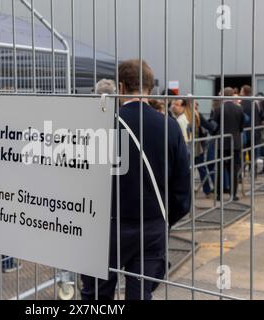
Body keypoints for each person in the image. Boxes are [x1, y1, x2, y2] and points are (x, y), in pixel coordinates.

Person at [81, 59, 191, 300]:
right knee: (140, 294)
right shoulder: (170, 128)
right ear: (150, 87)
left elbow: (85, 179)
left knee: (97, 295)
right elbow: (183, 189)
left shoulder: (102, 124)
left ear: (120, 86)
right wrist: (164, 219)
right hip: (151, 225)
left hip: (105, 226)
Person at [212, 87, 246, 201]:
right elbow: (241, 127)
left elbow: (214, 126)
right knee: (233, 170)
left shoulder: (218, 109)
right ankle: (233, 194)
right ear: (232, 96)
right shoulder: (239, 109)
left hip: (221, 143)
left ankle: (218, 194)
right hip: (235, 143)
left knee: (219, 169)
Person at [240, 85, 264, 169]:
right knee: (253, 154)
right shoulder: (255, 102)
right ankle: (253, 172)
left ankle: (241, 173)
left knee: (242, 154)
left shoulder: (241, 104)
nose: (240, 92)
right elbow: (261, 116)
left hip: (244, 132)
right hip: (255, 132)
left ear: (244, 92)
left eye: (241, 90)